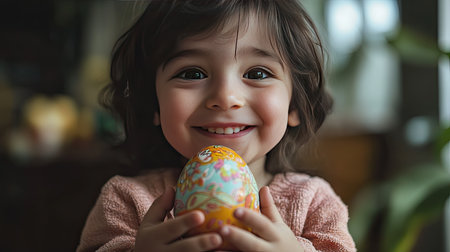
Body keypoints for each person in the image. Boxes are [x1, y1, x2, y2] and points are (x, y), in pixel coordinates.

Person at [77, 0, 356, 251]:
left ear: (294, 104)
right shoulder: (126, 200)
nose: (225, 98)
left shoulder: (314, 203)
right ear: (154, 103)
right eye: (192, 73)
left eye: (257, 73)